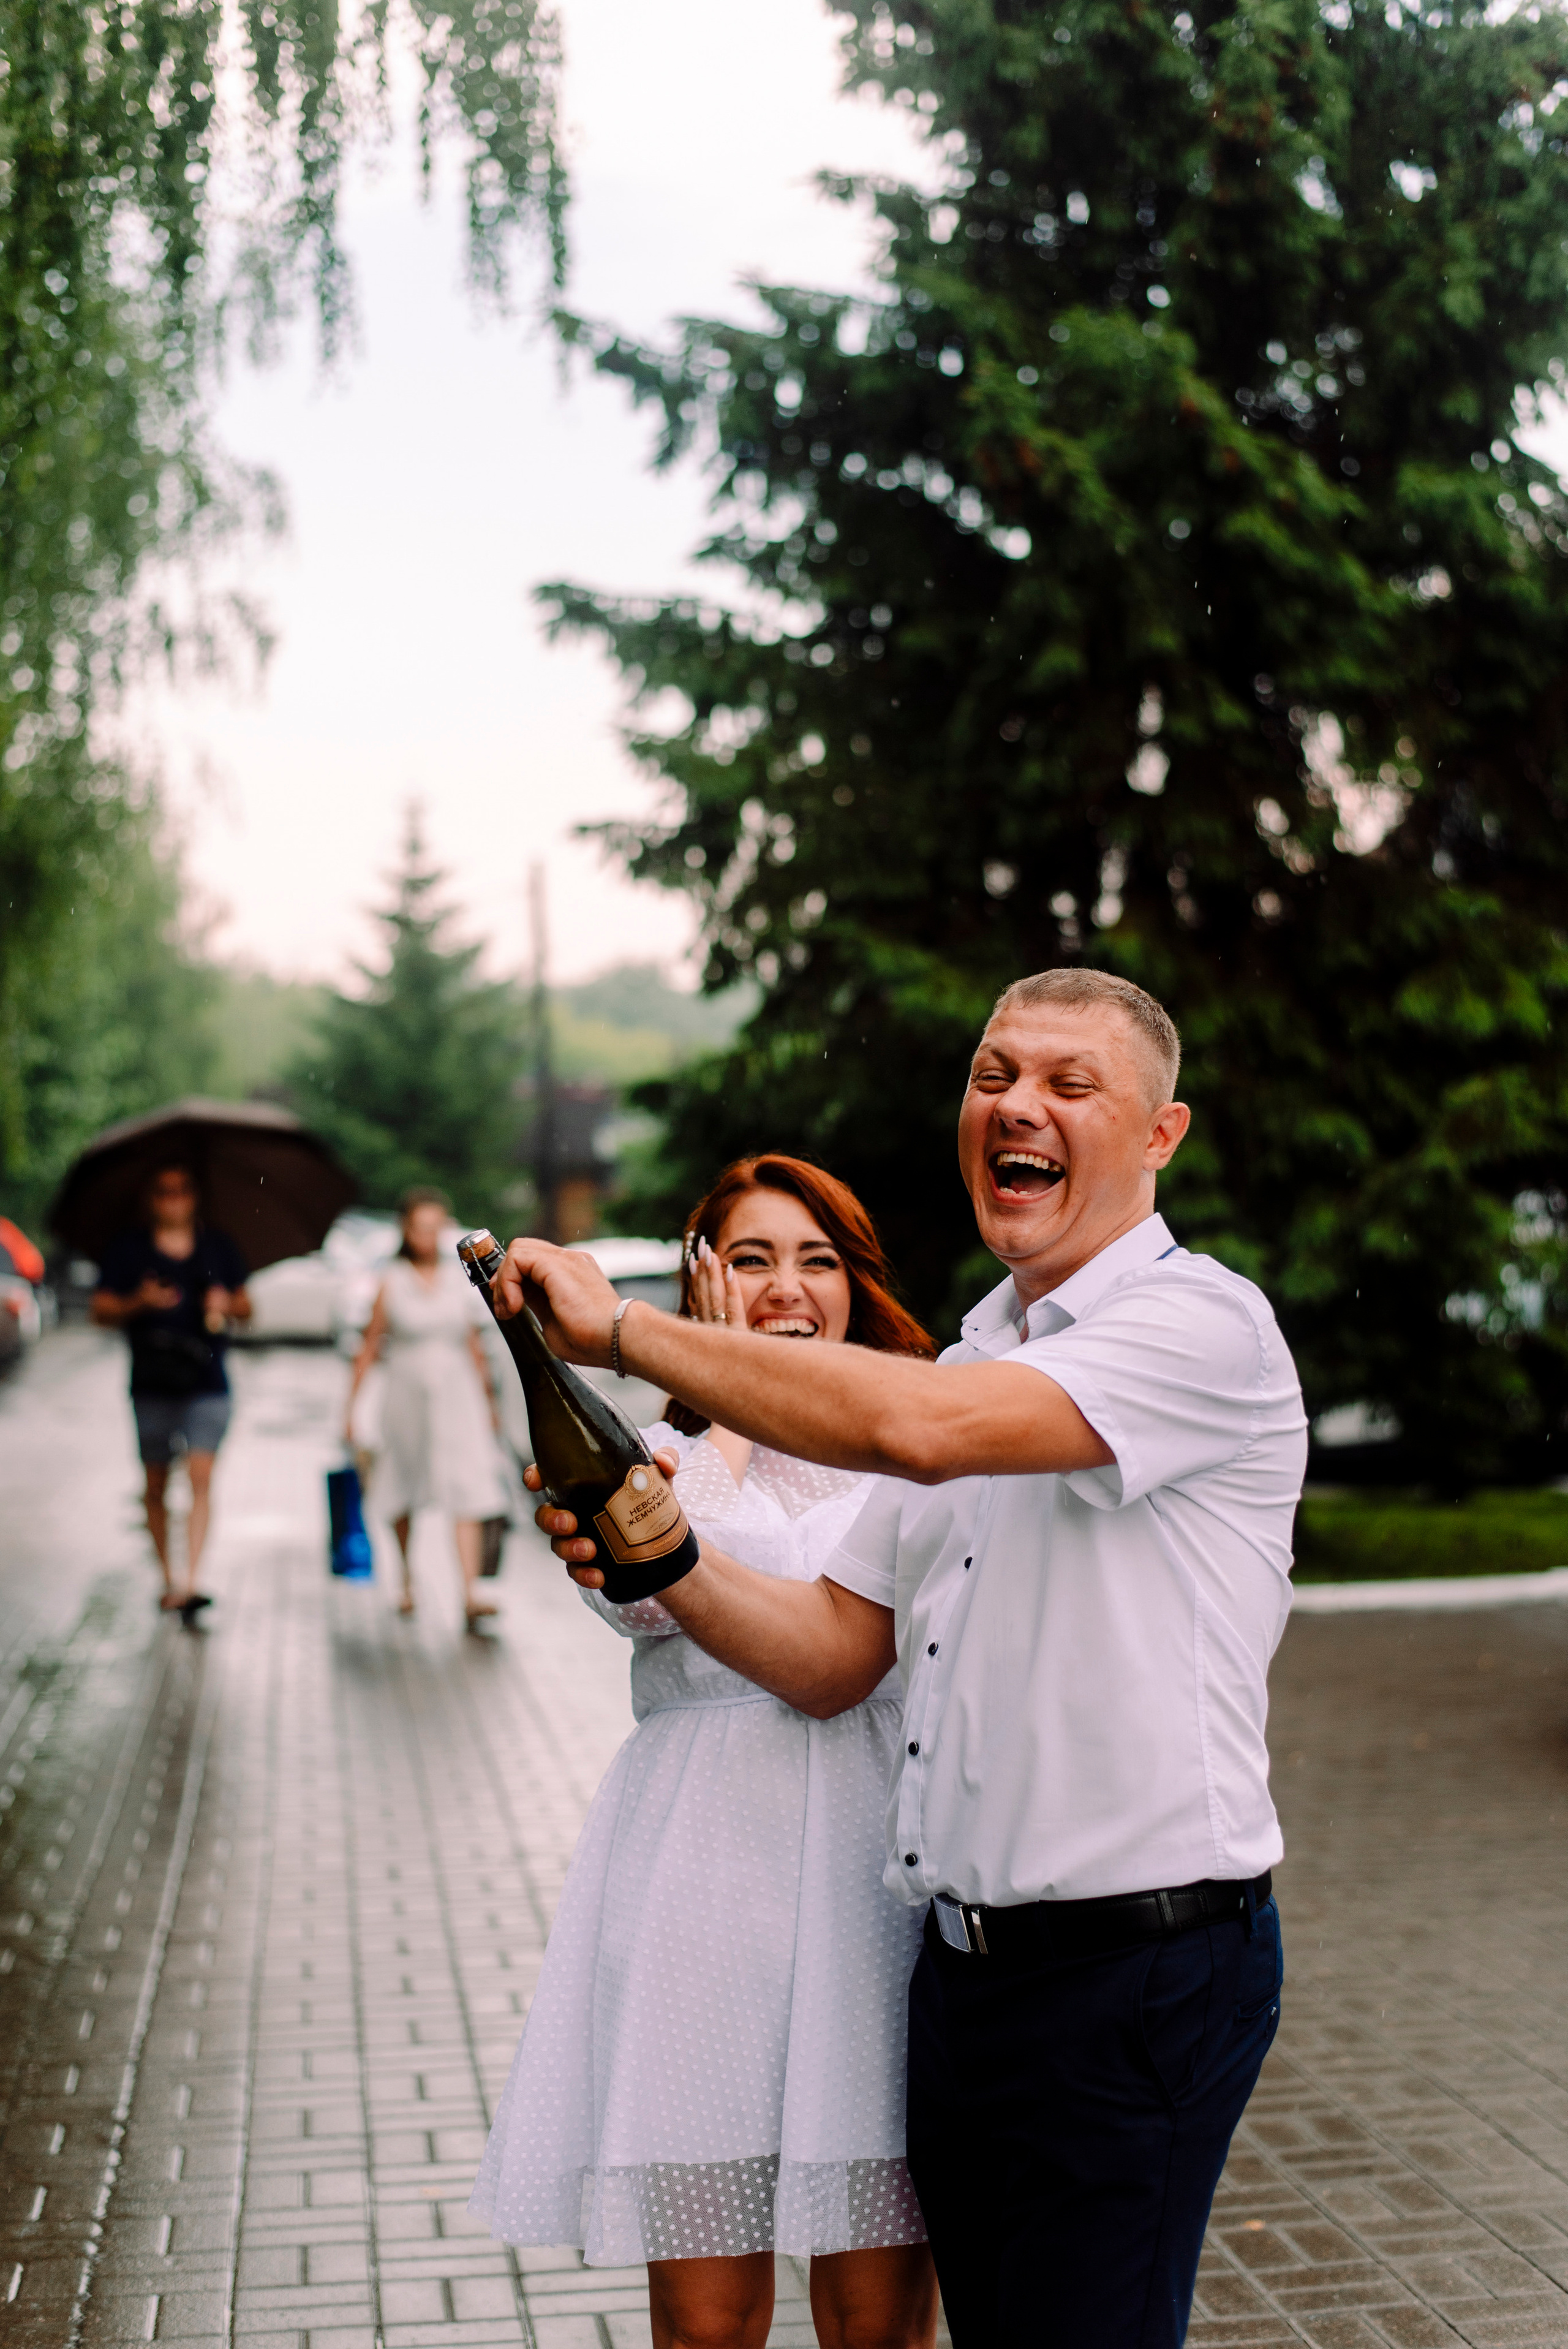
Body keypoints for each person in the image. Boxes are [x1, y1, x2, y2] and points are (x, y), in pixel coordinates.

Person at [499, 969, 1308, 2349]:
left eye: (1068, 1083)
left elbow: (919, 1434)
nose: (1018, 1106)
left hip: (1136, 1968)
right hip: (957, 1982)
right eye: (994, 1076)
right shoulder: (978, 1350)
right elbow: (827, 1655)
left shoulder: (1198, 1325)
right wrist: (664, 1558)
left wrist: (625, 1329)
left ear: (1161, 1134)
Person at [471, 1156, 941, 2349]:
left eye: (817, 1260)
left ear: (856, 1283)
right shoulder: (645, 1448)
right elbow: (641, 1594)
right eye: (750, 1259)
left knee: (879, 2318)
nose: (785, 1287)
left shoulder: (914, 1434)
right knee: (703, 2321)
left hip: (875, 1897)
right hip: (701, 1902)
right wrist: (724, 1393)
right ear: (697, 1281)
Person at [92, 1162, 252, 1623]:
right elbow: (100, 1310)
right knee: (157, 1483)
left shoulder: (217, 1246)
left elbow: (248, 1306)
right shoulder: (130, 1248)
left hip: (207, 1379)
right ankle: (168, 1578)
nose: (174, 1199)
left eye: (182, 1190)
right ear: (151, 1199)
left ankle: (193, 1580)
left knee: (201, 1475)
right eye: (164, 1191)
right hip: (152, 1381)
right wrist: (138, 1302)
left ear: (195, 1196)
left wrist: (225, 1304)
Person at [344, 1186, 511, 1627]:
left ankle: (469, 1590)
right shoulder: (391, 1279)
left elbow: (473, 1343)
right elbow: (368, 1346)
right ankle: (405, 1577)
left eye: (436, 1228)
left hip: (457, 1395)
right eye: (421, 1227)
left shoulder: (459, 1278)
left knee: (467, 1485)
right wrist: (350, 1410)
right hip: (406, 1396)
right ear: (405, 1229)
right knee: (402, 1482)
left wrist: (488, 1401)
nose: (428, 1236)